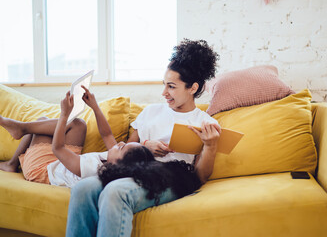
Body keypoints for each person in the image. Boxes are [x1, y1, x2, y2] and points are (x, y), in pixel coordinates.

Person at [66, 39, 221, 237]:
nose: (164, 93)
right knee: (83, 188)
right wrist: (146, 146)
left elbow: (200, 176)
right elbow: (128, 148)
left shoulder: (205, 123)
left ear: (192, 88)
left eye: (171, 87)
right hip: (135, 169)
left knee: (116, 192)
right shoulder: (150, 112)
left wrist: (211, 145)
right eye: (164, 85)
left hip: (172, 177)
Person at [0, 87, 147, 188]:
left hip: (42, 170)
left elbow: (57, 149)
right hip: (63, 164)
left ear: (117, 165)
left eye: (121, 147)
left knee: (41, 121)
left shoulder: (93, 169)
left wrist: (64, 114)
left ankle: (17, 140)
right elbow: (107, 134)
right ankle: (20, 132)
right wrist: (95, 107)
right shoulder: (112, 158)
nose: (120, 143)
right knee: (78, 124)